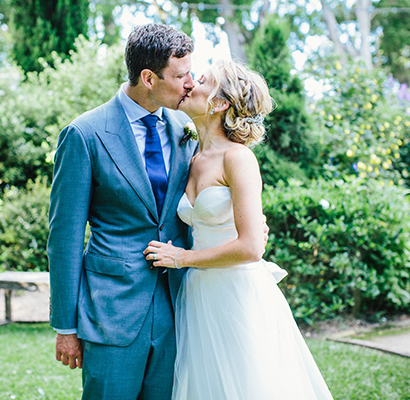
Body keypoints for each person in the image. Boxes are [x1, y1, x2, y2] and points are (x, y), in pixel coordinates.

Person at [144, 61, 334, 400]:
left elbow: (250, 248)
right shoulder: (192, 154)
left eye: (201, 80)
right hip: (198, 293)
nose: (189, 83)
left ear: (219, 103)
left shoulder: (238, 158)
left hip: (236, 293)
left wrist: (182, 258)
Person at [47, 24, 198, 399]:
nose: (191, 84)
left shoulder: (185, 128)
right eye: (181, 76)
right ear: (148, 77)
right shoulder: (84, 134)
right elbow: (64, 238)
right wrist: (66, 326)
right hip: (111, 308)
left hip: (178, 305)